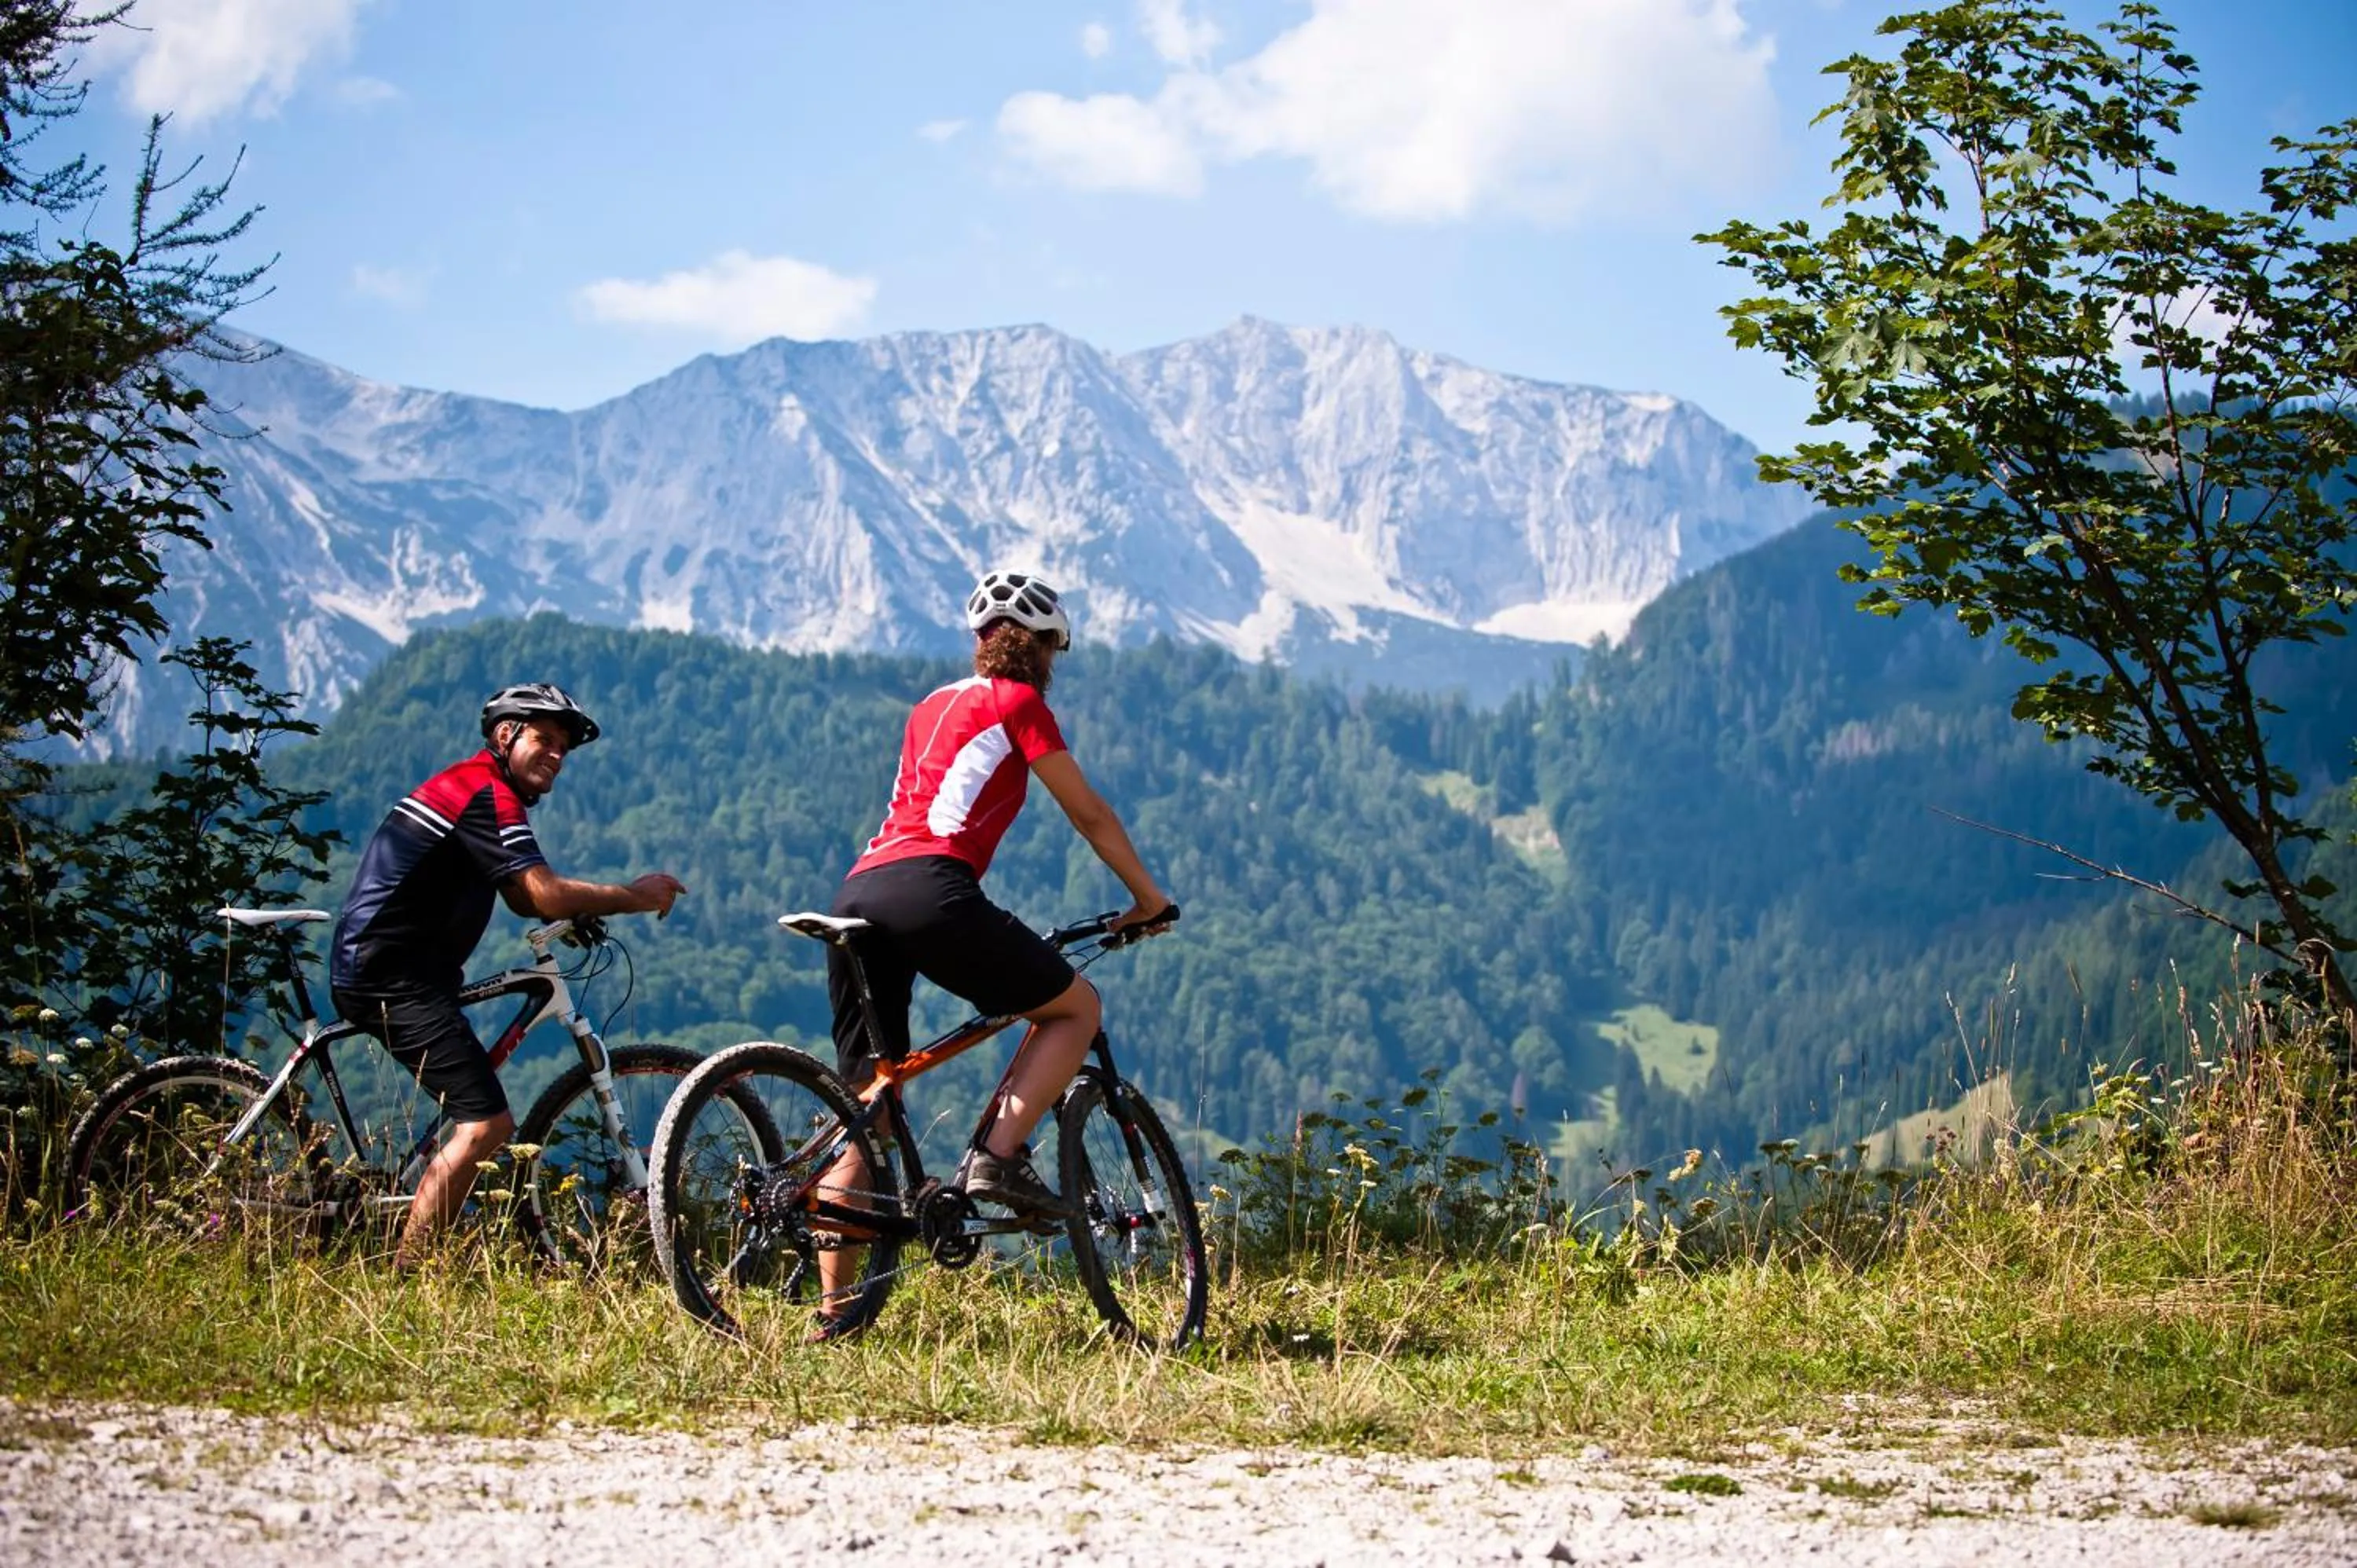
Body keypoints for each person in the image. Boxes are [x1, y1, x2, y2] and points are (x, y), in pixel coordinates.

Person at [817, 570, 1173, 1334]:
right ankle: (997, 1157)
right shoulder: (1021, 703)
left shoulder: (929, 706)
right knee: (1075, 1007)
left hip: (857, 892)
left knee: (869, 1107)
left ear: (981, 640)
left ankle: (833, 1318)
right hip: (929, 889)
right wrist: (1147, 899)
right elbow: (1090, 813)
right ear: (1042, 647)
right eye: (1053, 649)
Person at [329, 682, 687, 1267]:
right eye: (544, 739)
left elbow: (524, 899)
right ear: (505, 735)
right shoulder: (485, 792)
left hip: (394, 969)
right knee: (487, 1124)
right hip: (390, 975)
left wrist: (579, 908)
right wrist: (632, 895)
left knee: (479, 1114)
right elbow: (540, 893)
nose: (556, 755)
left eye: (564, 749)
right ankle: (409, 1275)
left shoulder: (471, 785)